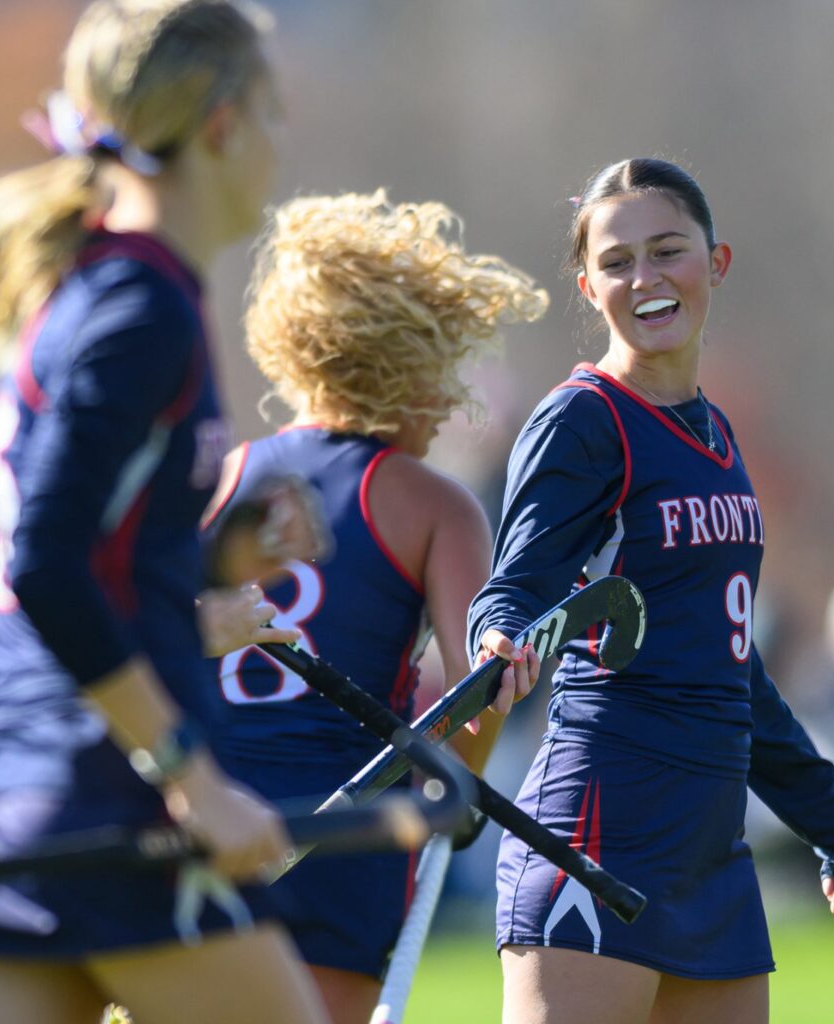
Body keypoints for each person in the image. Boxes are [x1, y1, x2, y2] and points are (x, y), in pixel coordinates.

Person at [0, 3, 328, 1022]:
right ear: (218, 127)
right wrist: (189, 774)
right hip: (102, 798)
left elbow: (90, 544)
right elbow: (44, 564)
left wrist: (215, 553)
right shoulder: (142, 306)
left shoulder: (92, 288)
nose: (279, 141)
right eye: (271, 111)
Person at [469, 157, 834, 1024]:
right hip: (602, 824)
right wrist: (500, 635)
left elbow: (733, 670)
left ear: (717, 262)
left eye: (668, 251)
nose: (645, 279)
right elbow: (516, 585)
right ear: (588, 286)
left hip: (710, 847)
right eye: (618, 263)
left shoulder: (717, 433)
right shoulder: (582, 418)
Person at [209, 189, 548, 1022]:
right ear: (404, 360)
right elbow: (473, 715)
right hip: (347, 837)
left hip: (211, 819)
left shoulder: (221, 476)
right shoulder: (435, 505)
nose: (447, 398)